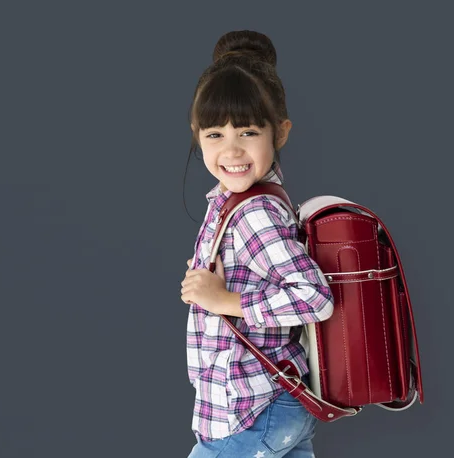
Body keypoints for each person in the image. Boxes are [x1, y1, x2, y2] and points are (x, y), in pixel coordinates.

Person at [180, 30, 335, 458]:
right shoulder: (235, 202)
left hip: (249, 413)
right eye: (214, 135)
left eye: (247, 132)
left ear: (279, 132)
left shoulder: (255, 212)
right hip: (269, 403)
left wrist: (226, 300)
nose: (231, 150)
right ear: (197, 135)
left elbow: (315, 298)